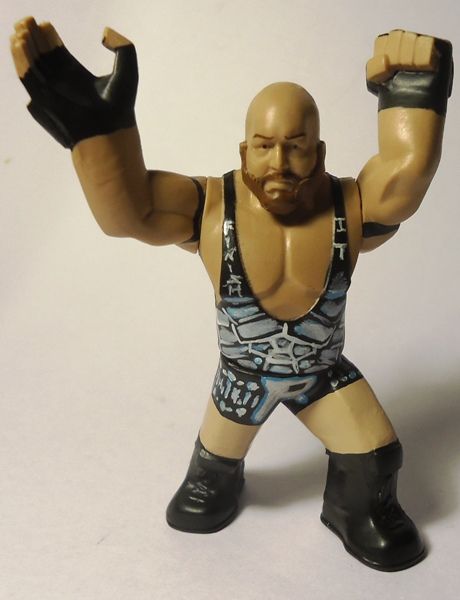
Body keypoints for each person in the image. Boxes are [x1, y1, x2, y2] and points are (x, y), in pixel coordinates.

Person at [11, 18, 453, 571]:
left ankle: (351, 512)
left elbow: (404, 179)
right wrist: (98, 131)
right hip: (240, 381)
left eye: (295, 147)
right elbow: (131, 212)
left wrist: (414, 93)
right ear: (244, 149)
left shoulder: (348, 206)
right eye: (264, 147)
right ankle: (218, 473)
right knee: (205, 490)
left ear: (319, 151)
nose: (279, 164)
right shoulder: (210, 207)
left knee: (377, 460)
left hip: (321, 373)